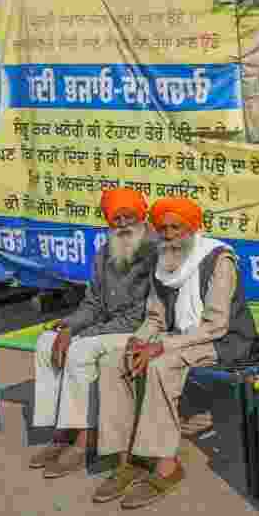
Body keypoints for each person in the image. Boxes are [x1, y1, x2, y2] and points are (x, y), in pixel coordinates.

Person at [93, 197, 255, 509]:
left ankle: (166, 466)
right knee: (114, 360)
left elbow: (216, 326)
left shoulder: (219, 259)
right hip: (177, 337)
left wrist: (161, 346)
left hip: (221, 340)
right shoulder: (163, 258)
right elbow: (155, 317)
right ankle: (128, 458)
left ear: (193, 227)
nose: (168, 234)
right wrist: (137, 341)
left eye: (176, 227)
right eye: (163, 228)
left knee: (160, 366)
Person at [28, 188, 158, 478]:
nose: (123, 224)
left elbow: (140, 314)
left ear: (142, 214)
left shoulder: (154, 252)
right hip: (111, 327)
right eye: (116, 219)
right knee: (46, 342)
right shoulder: (105, 252)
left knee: (80, 349)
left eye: (129, 216)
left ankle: (86, 437)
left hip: (142, 331)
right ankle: (62, 432)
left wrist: (84, 335)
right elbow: (94, 302)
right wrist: (72, 325)